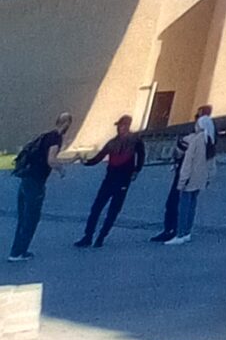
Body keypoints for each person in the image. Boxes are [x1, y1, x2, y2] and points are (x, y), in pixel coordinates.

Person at [8, 112, 71, 261]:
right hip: (36, 182)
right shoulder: (56, 138)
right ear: (66, 124)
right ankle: (20, 252)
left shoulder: (45, 136)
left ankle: (15, 251)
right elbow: (51, 160)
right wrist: (61, 170)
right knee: (31, 218)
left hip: (26, 178)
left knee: (23, 217)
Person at [75, 116, 145, 247]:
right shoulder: (112, 143)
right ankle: (88, 236)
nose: (120, 128)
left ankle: (101, 237)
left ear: (128, 126)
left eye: (122, 126)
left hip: (123, 179)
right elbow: (99, 157)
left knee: (113, 210)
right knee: (96, 207)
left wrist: (136, 170)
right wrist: (86, 162)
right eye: (119, 126)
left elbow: (141, 156)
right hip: (110, 178)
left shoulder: (135, 141)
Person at [167, 125, 213, 244]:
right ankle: (187, 232)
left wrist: (182, 180)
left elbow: (185, 160)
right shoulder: (209, 140)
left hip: (189, 178)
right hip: (200, 178)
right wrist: (208, 178)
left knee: (183, 205)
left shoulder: (192, 140)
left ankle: (179, 233)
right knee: (192, 204)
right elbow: (211, 162)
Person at [151, 131, 191, 244]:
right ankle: (179, 229)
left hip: (182, 178)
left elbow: (179, 153)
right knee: (181, 203)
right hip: (186, 176)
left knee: (173, 203)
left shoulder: (188, 142)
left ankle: (171, 230)